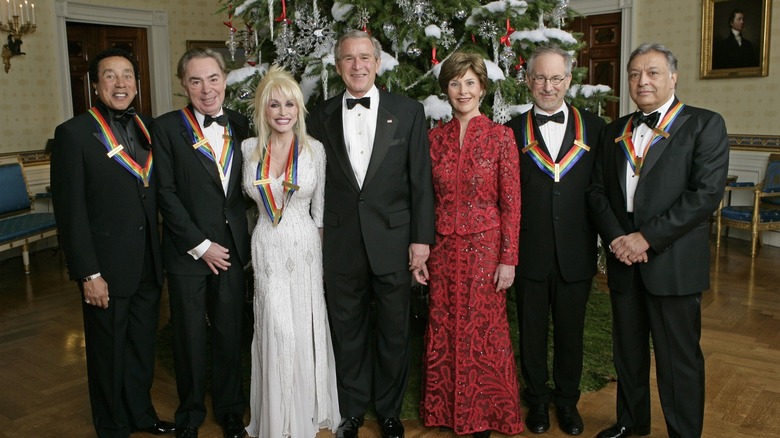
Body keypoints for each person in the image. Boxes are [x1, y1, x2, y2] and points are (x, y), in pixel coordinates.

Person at [587, 43, 729, 438]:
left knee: (678, 359)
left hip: (673, 261)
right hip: (623, 259)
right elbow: (597, 192)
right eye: (634, 74)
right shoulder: (614, 131)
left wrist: (646, 238)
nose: (642, 81)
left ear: (673, 77)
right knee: (628, 351)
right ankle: (630, 422)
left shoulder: (704, 124)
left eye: (652, 72)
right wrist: (618, 238)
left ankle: (683, 433)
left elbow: (704, 196)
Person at [306, 29, 436, 438]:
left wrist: (421, 240)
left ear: (378, 64)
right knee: (347, 330)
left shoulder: (408, 111)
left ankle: (390, 411)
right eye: (348, 58)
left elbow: (421, 181)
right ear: (337, 66)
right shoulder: (319, 115)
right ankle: (352, 410)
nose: (357, 65)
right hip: (340, 241)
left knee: (394, 330)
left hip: (394, 241)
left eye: (365, 57)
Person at [51, 47, 175, 438]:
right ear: (95, 85)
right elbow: (70, 213)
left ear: (137, 84)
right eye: (110, 76)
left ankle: (141, 414)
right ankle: (112, 426)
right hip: (105, 267)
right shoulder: (73, 134)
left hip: (148, 262)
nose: (120, 83)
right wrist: (88, 273)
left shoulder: (149, 128)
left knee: (141, 346)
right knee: (108, 353)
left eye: (127, 76)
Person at [419, 51, 522, 438]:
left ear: (482, 88)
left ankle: (486, 414)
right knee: (444, 326)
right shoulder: (434, 139)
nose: (462, 90)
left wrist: (508, 258)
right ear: (446, 89)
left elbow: (511, 204)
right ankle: (445, 410)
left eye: (469, 82)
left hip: (486, 250)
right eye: (454, 83)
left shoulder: (500, 137)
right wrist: (422, 249)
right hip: (443, 249)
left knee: (484, 331)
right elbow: (424, 199)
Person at [504, 45, 605, 436]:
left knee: (570, 333)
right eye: (541, 78)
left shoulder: (595, 128)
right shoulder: (511, 132)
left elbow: (601, 191)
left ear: (569, 80)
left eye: (556, 78)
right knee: (531, 334)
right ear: (528, 81)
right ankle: (537, 400)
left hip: (576, 251)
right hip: (529, 251)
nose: (549, 86)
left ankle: (567, 401)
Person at [153, 47, 251, 438]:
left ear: (225, 79)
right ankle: (190, 414)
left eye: (213, 78)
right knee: (189, 337)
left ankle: (230, 411)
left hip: (231, 250)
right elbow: (165, 193)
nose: (206, 89)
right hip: (187, 252)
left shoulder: (242, 124)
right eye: (196, 81)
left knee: (230, 333)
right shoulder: (165, 128)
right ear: (183, 85)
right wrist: (199, 244)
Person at [240, 65, 341, 437]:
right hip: (267, 244)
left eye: (289, 105)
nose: (282, 112)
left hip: (304, 247)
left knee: (301, 326)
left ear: (299, 109)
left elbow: (321, 211)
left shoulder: (314, 150)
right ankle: (276, 416)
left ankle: (303, 413)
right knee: (275, 325)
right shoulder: (249, 149)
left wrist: (323, 261)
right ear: (263, 110)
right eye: (274, 105)